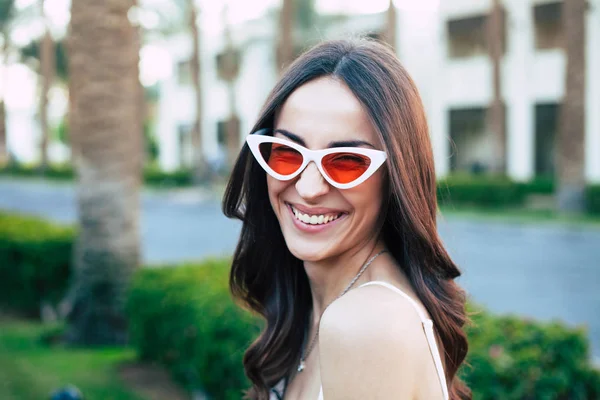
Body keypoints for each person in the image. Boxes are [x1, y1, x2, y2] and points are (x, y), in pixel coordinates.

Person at [223, 38, 470, 400]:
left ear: (396, 177)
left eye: (346, 162)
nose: (308, 188)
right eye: (287, 153)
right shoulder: (314, 307)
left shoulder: (367, 324)